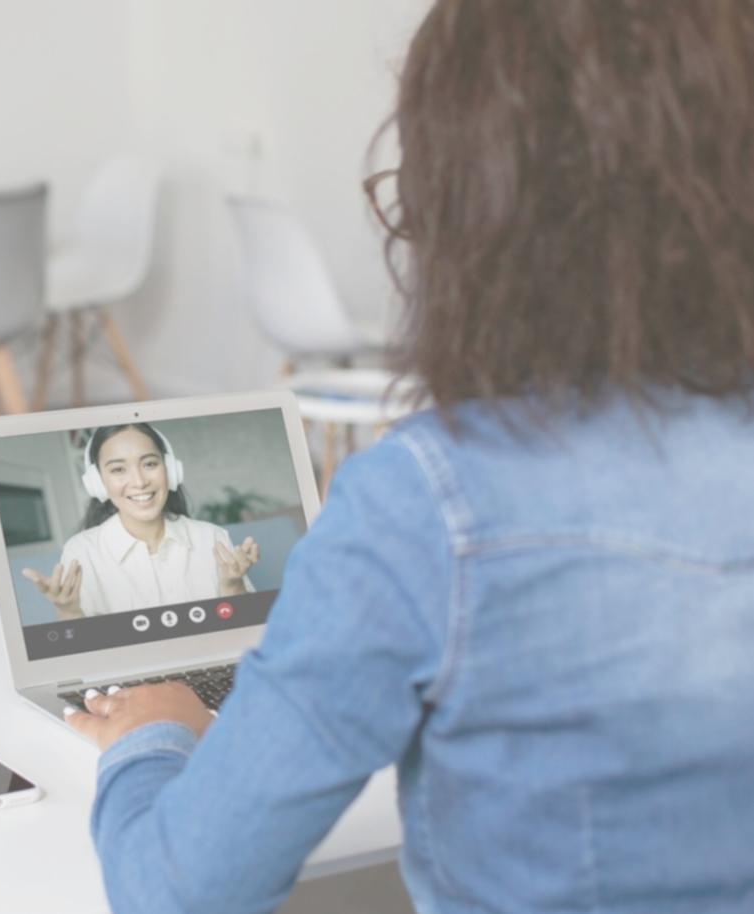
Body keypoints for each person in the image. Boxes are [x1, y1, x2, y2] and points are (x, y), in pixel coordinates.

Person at [55, 2, 754, 912]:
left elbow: (180, 891)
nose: (139, 479)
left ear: (470, 201)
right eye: (120, 470)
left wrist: (149, 738)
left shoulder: (437, 502)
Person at [22, 423, 259, 619]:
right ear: (97, 482)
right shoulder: (82, 551)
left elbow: (243, 629)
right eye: (118, 470)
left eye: (149, 464)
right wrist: (68, 610)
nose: (139, 481)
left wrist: (232, 585)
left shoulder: (212, 537)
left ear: (170, 471)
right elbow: (81, 655)